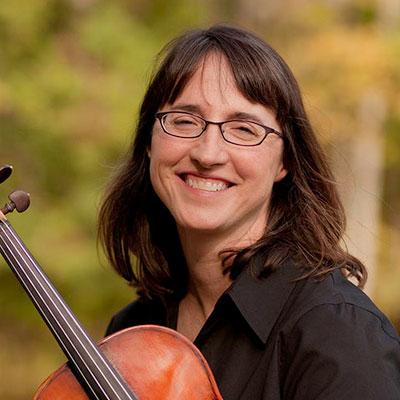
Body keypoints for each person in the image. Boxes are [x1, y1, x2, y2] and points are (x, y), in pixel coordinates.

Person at [98, 25, 400, 399]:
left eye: (243, 129)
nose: (208, 154)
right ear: (149, 142)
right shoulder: (133, 334)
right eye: (185, 121)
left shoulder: (337, 332)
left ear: (284, 161)